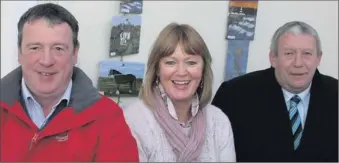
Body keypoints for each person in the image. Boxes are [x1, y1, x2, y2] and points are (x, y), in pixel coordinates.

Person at [0, 3, 139, 162]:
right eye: (35, 48)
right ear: (19, 53)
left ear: (75, 54)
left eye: (58, 48)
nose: (46, 60)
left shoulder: (108, 117)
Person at [212, 21, 338, 162]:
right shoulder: (233, 95)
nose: (298, 63)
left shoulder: (335, 94)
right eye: (289, 53)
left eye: (307, 53)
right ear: (273, 58)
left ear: (318, 58)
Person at [123, 22, 236, 162]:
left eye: (191, 63)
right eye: (170, 62)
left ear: (203, 69)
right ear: (157, 69)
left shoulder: (218, 121)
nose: (181, 72)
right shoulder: (133, 120)